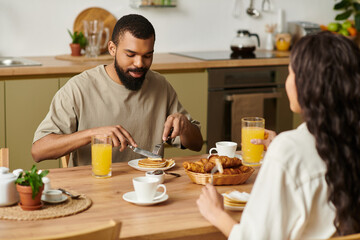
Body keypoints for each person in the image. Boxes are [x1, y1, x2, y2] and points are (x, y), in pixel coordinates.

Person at [197, 31, 360, 239]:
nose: (287, 80)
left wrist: (217, 214)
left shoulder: (289, 150)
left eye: (290, 73)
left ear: (308, 85)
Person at [31, 14, 203, 166]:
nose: (139, 64)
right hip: (92, 189)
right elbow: (38, 151)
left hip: (149, 188)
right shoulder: (79, 88)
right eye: (130, 55)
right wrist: (93, 134)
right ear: (112, 49)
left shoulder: (160, 86)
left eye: (147, 56)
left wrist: (185, 125)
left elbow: (196, 144)